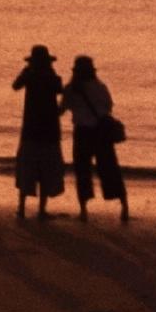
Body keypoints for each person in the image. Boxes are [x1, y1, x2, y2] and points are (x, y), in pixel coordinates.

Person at [62, 54, 129, 219]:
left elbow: (62, 108)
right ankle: (124, 205)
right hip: (101, 132)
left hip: (82, 132)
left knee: (82, 170)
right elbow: (108, 106)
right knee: (110, 169)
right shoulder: (100, 86)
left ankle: (84, 210)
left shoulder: (71, 89)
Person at [11, 45, 66, 220]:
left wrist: (26, 70)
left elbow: (15, 85)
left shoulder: (29, 75)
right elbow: (61, 90)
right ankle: (41, 210)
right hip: (49, 130)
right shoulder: (51, 77)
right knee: (46, 170)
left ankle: (21, 208)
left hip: (30, 128)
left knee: (27, 168)